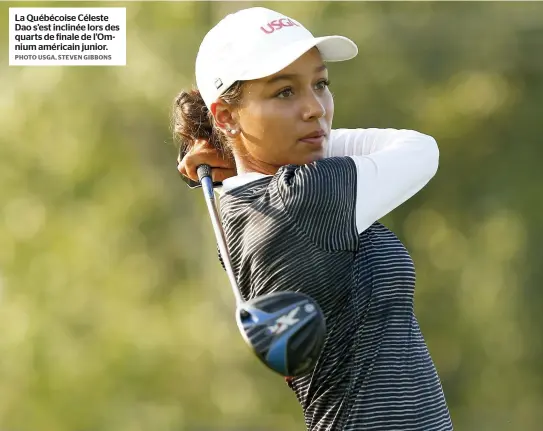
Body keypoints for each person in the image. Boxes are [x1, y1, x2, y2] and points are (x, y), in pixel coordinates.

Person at [173, 6, 453, 431]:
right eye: (284, 92)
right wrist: (233, 151)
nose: (315, 108)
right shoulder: (302, 199)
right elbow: (420, 151)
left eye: (320, 84)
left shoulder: (242, 203)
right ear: (225, 117)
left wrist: (233, 148)